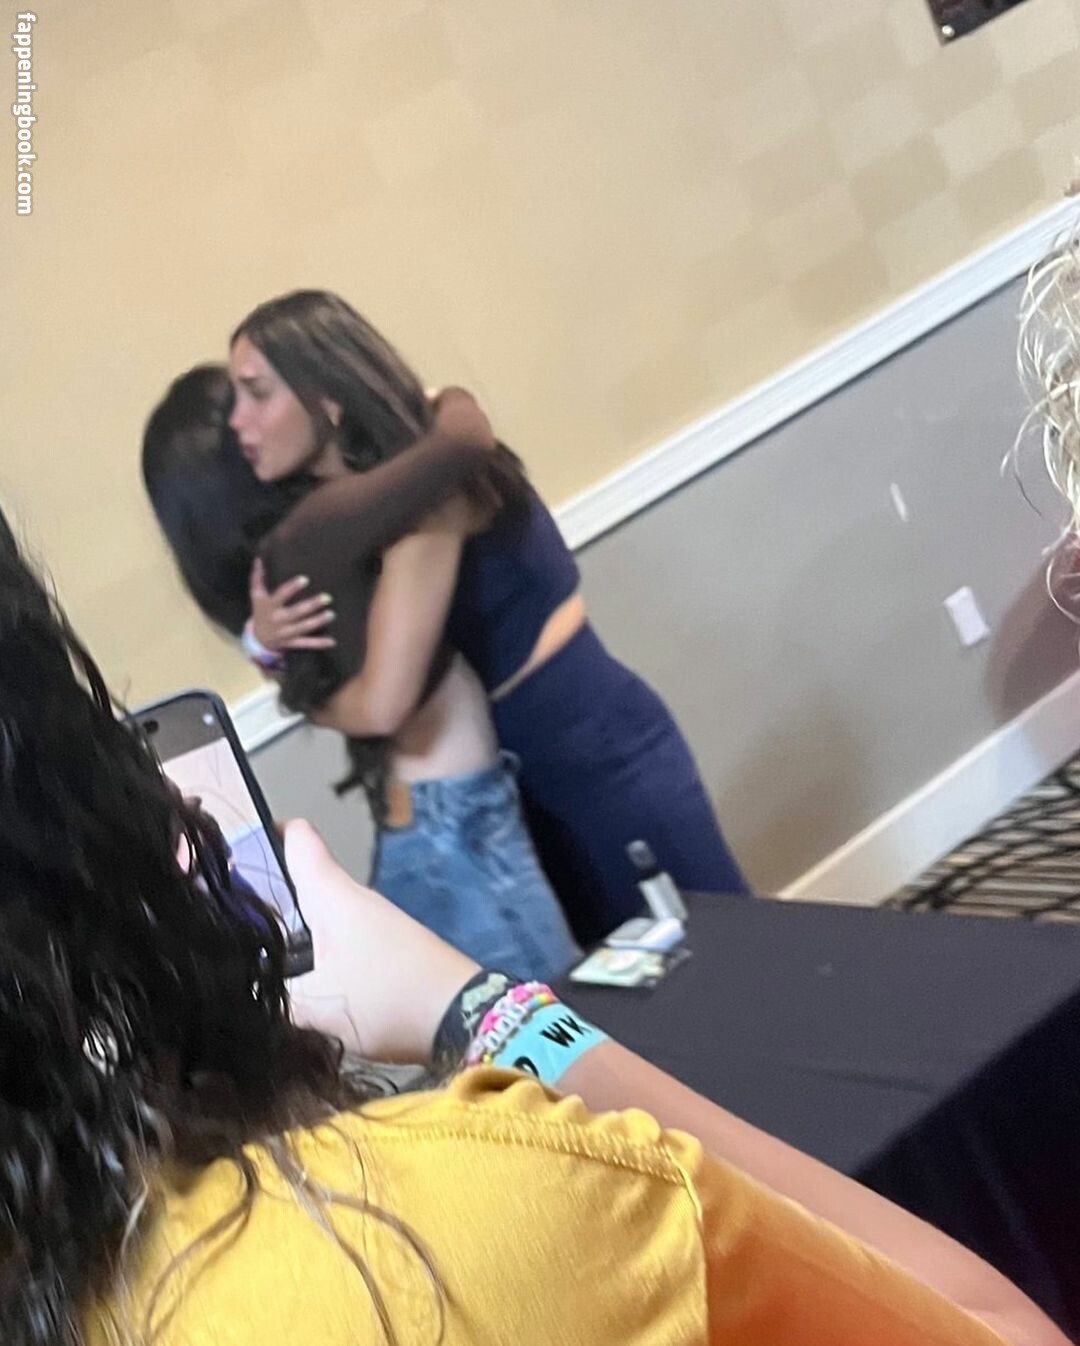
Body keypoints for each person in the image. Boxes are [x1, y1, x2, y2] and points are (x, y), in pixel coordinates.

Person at [0, 503, 1064, 1346]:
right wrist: (476, 1004)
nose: (247, 421)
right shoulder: (485, 1207)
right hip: (443, 841)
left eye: (260, 392)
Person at [229, 289, 751, 945]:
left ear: (328, 399)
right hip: (518, 779)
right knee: (630, 982)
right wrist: (263, 642)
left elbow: (384, 704)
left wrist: (304, 699)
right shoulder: (373, 506)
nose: (239, 422)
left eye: (257, 394)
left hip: (591, 752)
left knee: (721, 958)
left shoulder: (429, 502)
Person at [142, 366, 579, 981]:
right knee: (557, 1030)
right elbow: (460, 435)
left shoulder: (287, 575)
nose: (263, 419)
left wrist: (259, 646)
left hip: (431, 828)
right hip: (459, 836)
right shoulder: (319, 535)